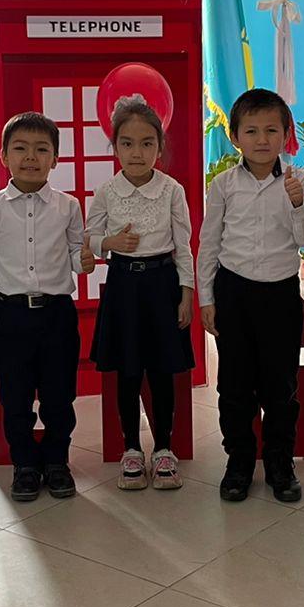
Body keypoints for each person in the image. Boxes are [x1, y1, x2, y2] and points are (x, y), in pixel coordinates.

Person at [197, 89, 304, 503]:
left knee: (280, 386)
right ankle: (239, 462)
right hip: (234, 292)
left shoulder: (299, 181)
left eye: (271, 130)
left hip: (280, 295)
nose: (262, 139)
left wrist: (298, 205)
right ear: (235, 137)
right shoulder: (223, 185)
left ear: (285, 134)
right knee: (234, 385)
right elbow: (209, 243)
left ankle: (280, 464)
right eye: (251, 131)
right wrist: (206, 298)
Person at [0, 112, 96, 502]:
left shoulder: (67, 206)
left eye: (41, 149)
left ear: (55, 159)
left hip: (57, 313)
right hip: (10, 314)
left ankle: (57, 461)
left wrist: (84, 261)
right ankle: (25, 464)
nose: (31, 157)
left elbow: (76, 251)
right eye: (20, 148)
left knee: (59, 394)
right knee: (15, 395)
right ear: (3, 156)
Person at [86, 95, 196, 490]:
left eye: (147, 143)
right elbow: (89, 238)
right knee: (128, 370)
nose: (137, 152)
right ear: (115, 147)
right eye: (127, 143)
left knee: (162, 370)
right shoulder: (106, 191)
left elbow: (184, 245)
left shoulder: (171, 190)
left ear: (159, 147)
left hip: (162, 285)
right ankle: (131, 449)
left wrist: (186, 293)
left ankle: (164, 448)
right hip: (123, 287)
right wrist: (110, 242)